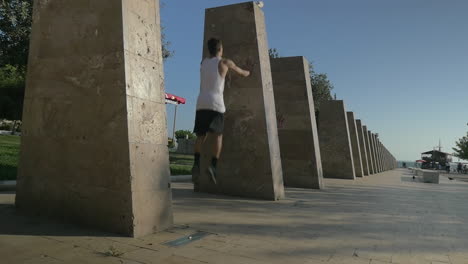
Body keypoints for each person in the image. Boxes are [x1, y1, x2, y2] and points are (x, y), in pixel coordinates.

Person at [191, 38, 250, 187]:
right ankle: (213, 166)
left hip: (201, 103)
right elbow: (242, 73)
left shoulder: (203, 62)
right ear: (220, 49)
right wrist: (249, 71)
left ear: (209, 50)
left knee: (200, 135)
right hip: (216, 104)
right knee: (218, 136)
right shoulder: (225, 63)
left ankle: (196, 163)